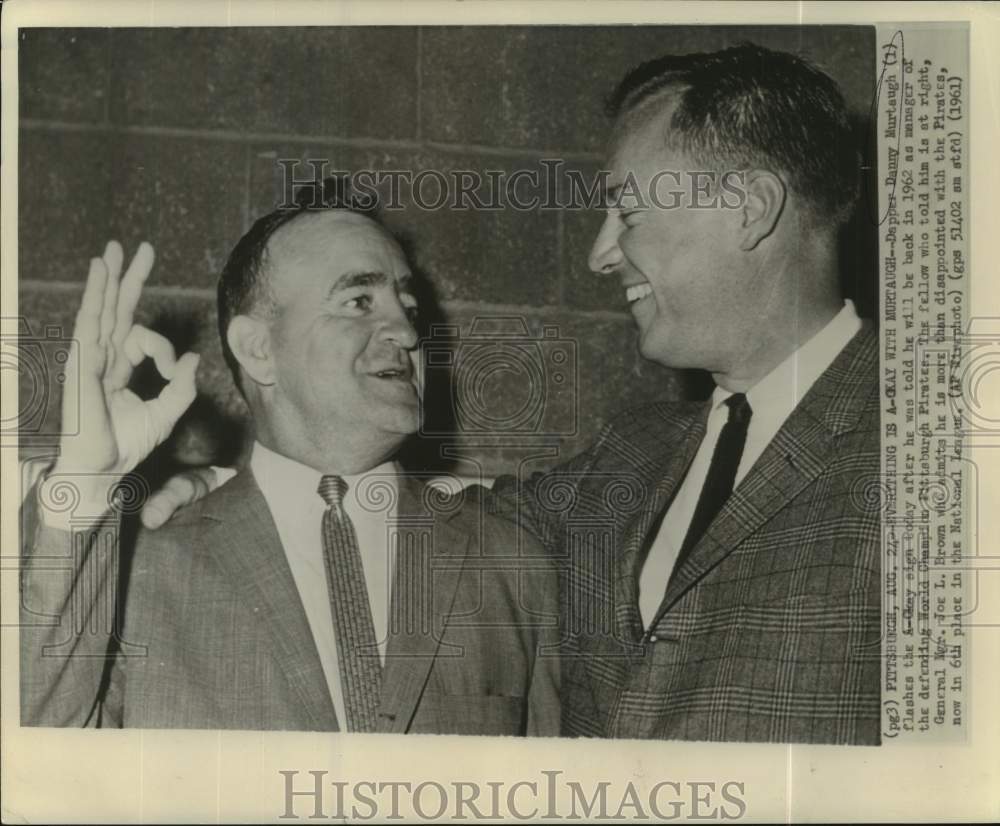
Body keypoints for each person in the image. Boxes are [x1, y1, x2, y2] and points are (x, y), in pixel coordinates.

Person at [143, 43, 881, 744]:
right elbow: (435, 517)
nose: (599, 254)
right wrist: (232, 486)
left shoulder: (929, 454)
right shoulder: (633, 457)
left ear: (750, 207)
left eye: (627, 212)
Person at [19, 186, 559, 735]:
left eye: (409, 307)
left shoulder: (512, 564)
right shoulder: (140, 570)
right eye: (359, 302)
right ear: (259, 349)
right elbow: (38, 768)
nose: (406, 331)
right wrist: (88, 481)